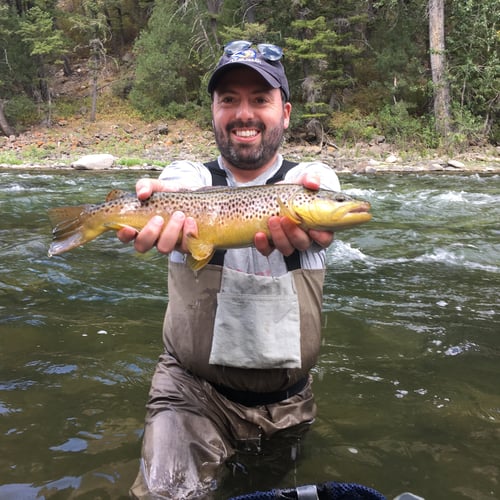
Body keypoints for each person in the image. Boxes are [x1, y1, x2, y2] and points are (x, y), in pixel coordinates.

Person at [118, 40, 342, 499]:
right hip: (190, 394)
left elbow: (323, 196)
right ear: (213, 111)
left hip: (289, 401)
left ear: (286, 112)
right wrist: (155, 199)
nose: (244, 113)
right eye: (229, 100)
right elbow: (173, 183)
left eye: (260, 100)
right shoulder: (189, 178)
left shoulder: (312, 182)